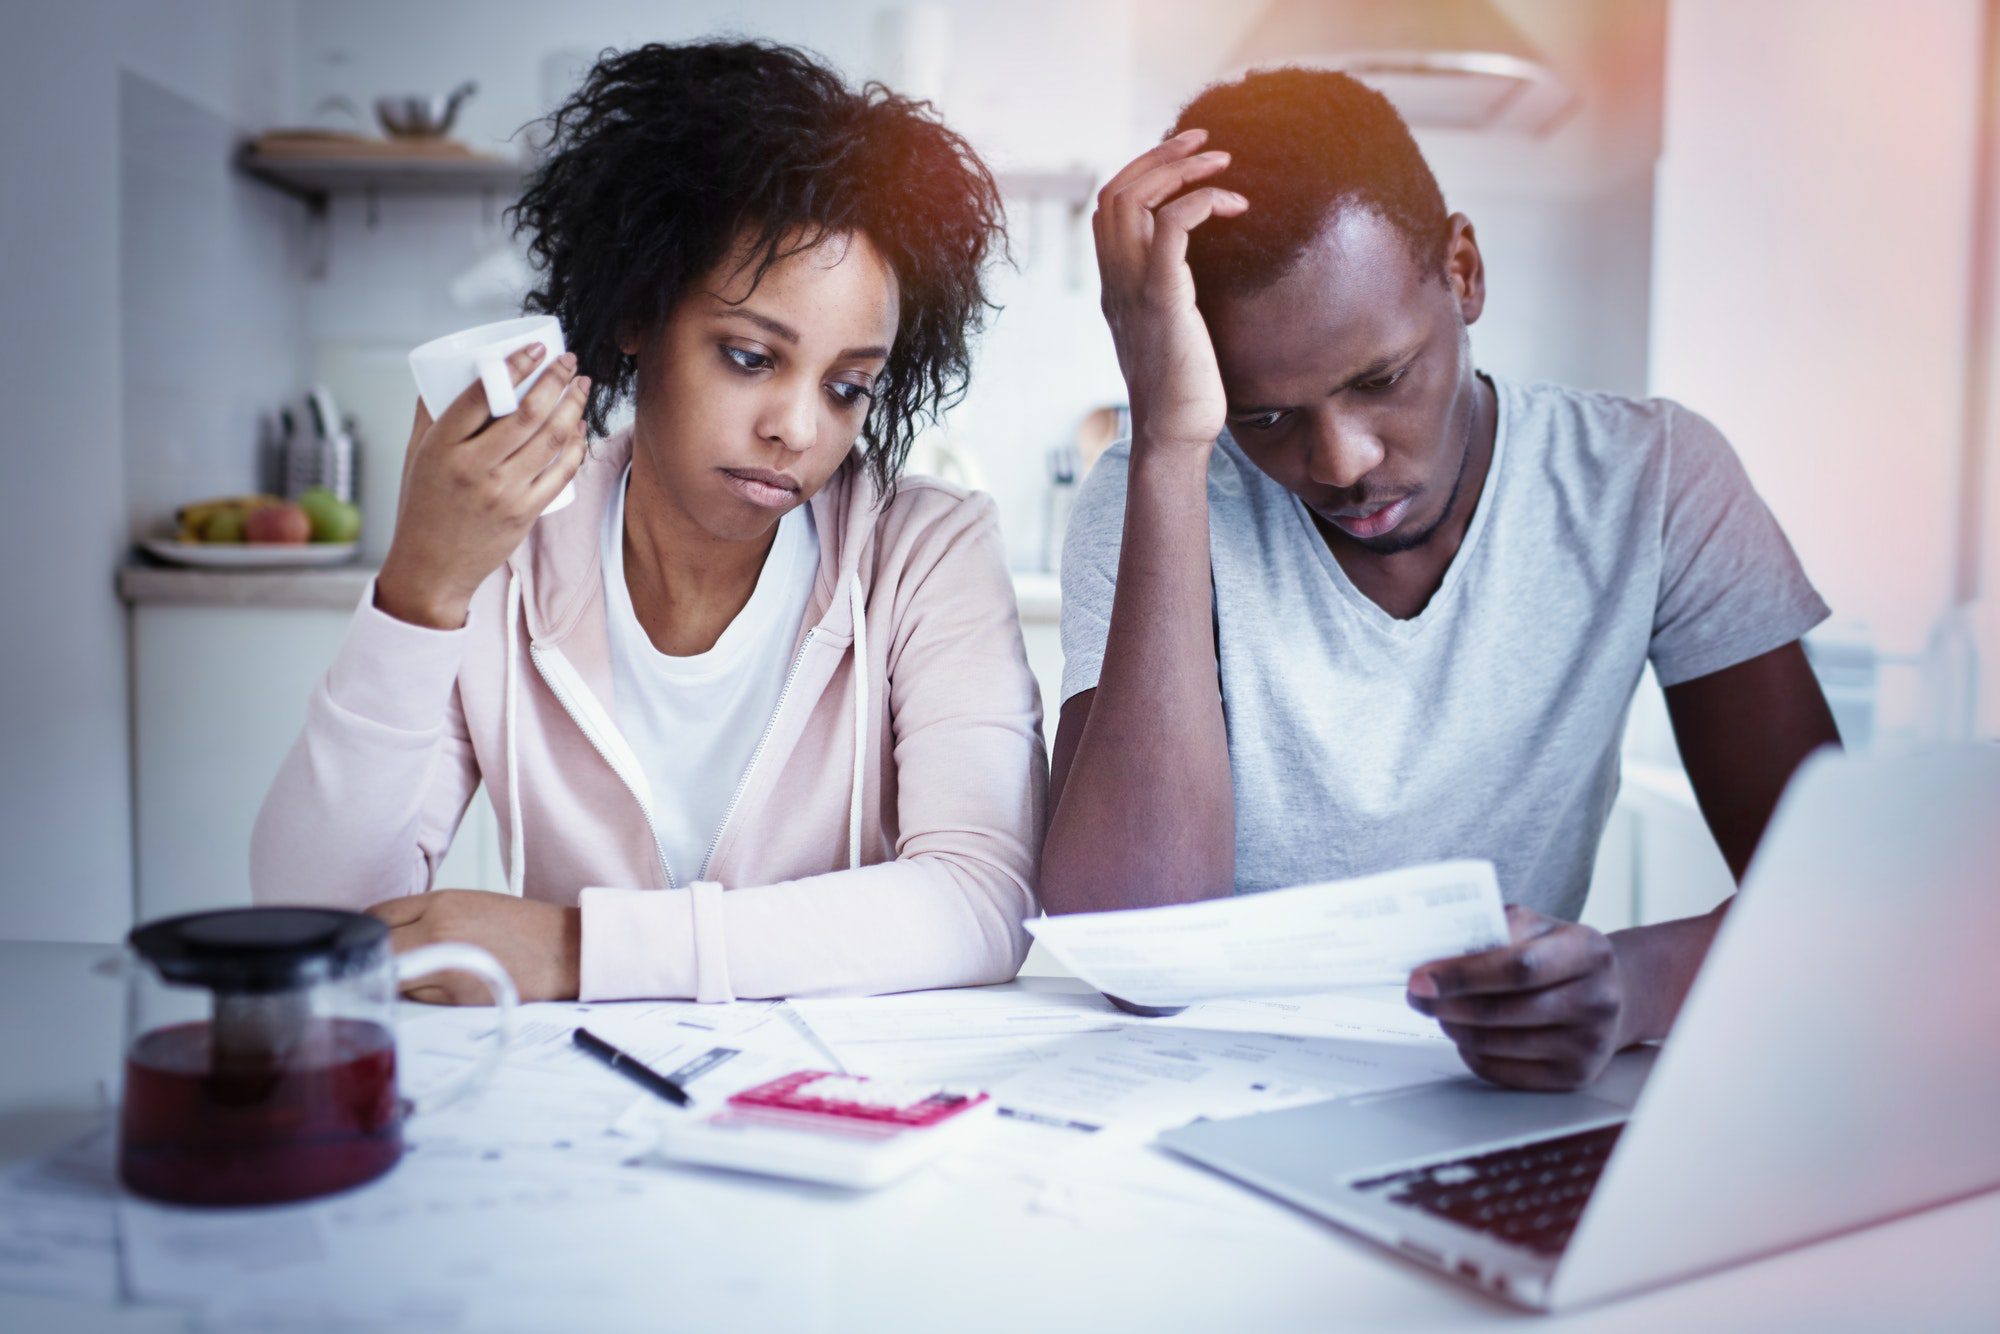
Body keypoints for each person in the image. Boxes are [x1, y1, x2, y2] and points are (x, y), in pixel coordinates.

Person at [1043, 69, 1840, 1090]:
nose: (1339, 461)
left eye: (1378, 380)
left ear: (1461, 270)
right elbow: (1132, 952)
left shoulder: (1651, 481)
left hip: (1488, 1098)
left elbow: (1834, 902)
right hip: (1192, 1098)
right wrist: (1166, 440)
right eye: (1265, 416)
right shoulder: (1157, 486)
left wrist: (1630, 984)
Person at [252, 41, 1044, 1004]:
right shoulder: (514, 547)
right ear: (638, 314)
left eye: (847, 388)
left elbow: (981, 901)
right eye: (750, 357)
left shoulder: (926, 553)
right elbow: (319, 921)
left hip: (841, 1113)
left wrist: (582, 950)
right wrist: (421, 588)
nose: (796, 428)